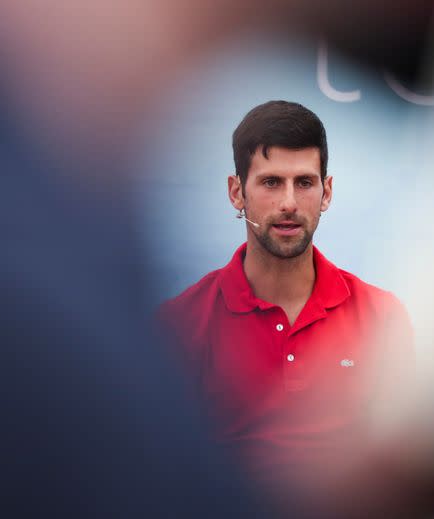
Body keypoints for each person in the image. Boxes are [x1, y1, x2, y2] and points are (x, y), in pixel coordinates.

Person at [157, 100, 416, 504]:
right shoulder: (181, 324)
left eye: (305, 183)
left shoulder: (380, 316)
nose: (290, 203)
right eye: (271, 182)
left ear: (326, 192)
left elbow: (404, 469)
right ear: (236, 192)